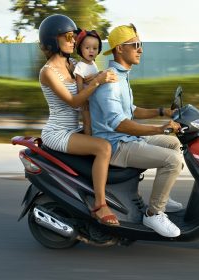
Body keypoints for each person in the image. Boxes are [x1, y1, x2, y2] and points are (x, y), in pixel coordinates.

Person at [89, 24, 183, 237]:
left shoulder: (121, 76)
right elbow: (118, 123)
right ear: (120, 49)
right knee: (172, 161)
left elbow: (130, 111)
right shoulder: (111, 80)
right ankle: (153, 214)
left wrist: (162, 111)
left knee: (174, 143)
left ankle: (162, 198)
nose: (140, 49)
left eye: (141, 45)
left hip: (127, 138)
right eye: (136, 45)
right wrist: (158, 129)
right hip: (117, 145)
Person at [38, 14, 120, 226]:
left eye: (74, 36)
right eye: (67, 36)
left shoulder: (73, 63)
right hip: (57, 133)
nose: (73, 40)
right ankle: (100, 205)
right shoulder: (47, 72)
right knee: (103, 148)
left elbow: (87, 81)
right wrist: (98, 81)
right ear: (52, 40)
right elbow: (74, 101)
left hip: (75, 129)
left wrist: (104, 76)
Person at [73, 29, 104, 135]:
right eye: (87, 48)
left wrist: (99, 74)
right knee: (87, 122)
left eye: (95, 48)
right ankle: (89, 140)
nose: (91, 51)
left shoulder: (93, 64)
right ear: (80, 49)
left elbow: (95, 79)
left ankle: (96, 138)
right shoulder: (80, 66)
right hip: (85, 101)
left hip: (94, 99)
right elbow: (79, 86)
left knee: (96, 121)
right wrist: (84, 101)